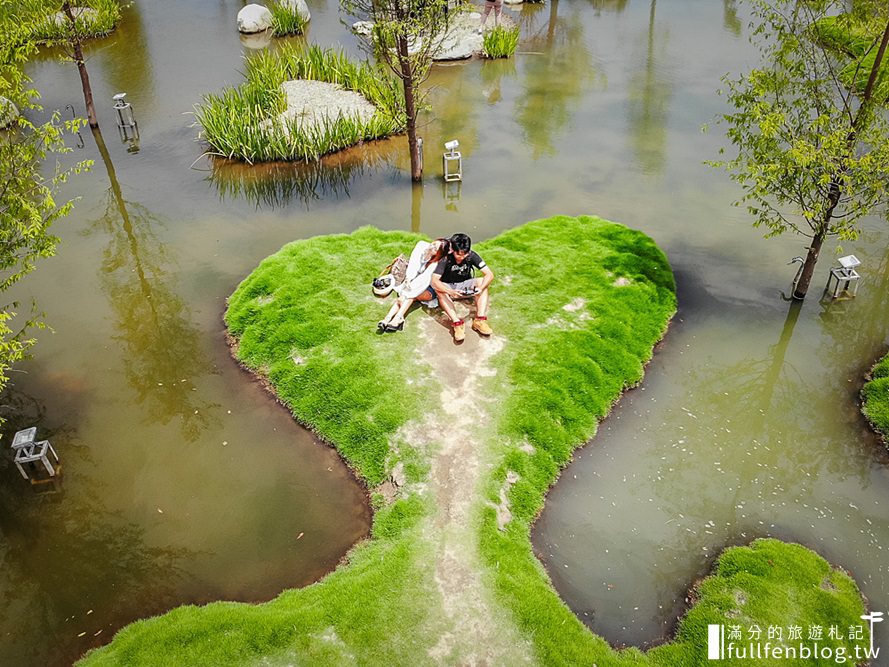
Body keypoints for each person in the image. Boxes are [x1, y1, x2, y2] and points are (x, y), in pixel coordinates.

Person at [430, 233, 494, 342]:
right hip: (448, 287)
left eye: (465, 254)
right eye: (459, 254)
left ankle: (479, 320)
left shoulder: (472, 255)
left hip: (465, 284)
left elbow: (489, 274)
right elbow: (434, 280)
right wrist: (450, 291)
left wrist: (481, 288)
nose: (462, 257)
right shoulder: (445, 258)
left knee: (482, 283)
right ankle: (457, 323)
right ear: (452, 250)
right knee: (439, 290)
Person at [377, 238, 450, 333]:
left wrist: (405, 293)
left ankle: (397, 318)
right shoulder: (422, 246)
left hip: (429, 287)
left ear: (438, 254)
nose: (431, 246)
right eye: (433, 243)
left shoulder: (437, 263)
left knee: (409, 297)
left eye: (435, 248)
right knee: (406, 296)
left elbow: (423, 281)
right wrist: (408, 282)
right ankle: (389, 319)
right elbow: (413, 266)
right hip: (414, 281)